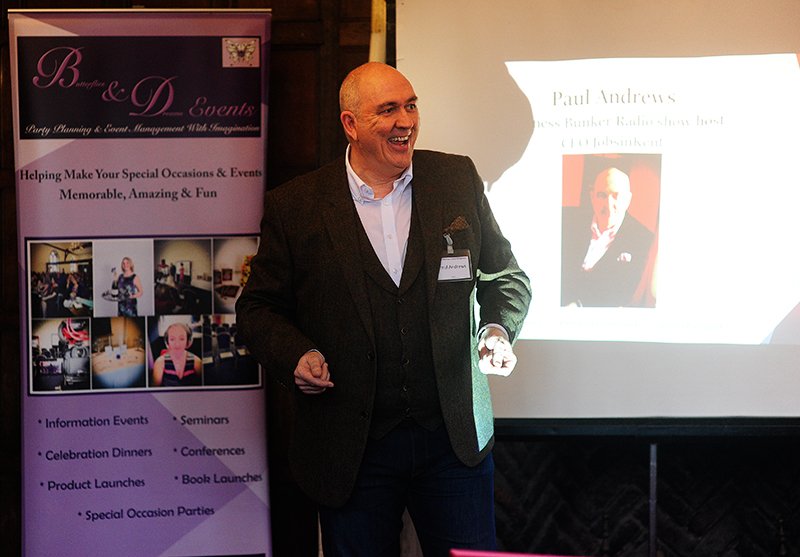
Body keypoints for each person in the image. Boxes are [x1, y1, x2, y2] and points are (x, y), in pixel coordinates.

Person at [236, 62, 531, 556]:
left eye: (411, 106)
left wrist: (497, 329)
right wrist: (296, 355)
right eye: (388, 109)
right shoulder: (297, 206)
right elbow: (258, 309)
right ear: (350, 124)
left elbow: (505, 277)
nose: (406, 121)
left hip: (452, 440)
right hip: (351, 447)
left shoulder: (455, 179)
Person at [561, 166, 655, 308]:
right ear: (592, 196)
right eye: (602, 195)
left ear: (628, 200)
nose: (608, 204)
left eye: (616, 195)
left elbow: (622, 292)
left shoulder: (642, 238)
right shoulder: (569, 220)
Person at [152, 322, 202, 387]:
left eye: (181, 339)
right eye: (172, 339)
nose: (177, 344)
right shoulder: (160, 363)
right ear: (167, 342)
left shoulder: (197, 362)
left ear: (188, 341)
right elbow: (155, 389)